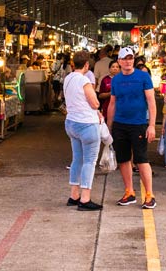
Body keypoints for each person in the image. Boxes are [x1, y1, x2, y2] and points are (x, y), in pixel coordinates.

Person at [106, 46, 157, 210]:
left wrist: (151, 126)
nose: (128, 61)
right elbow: (112, 103)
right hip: (120, 125)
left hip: (139, 124)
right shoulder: (116, 80)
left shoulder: (143, 77)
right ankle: (129, 192)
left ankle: (149, 194)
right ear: (119, 61)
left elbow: (151, 102)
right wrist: (109, 126)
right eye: (125, 58)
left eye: (131, 58)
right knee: (123, 159)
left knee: (141, 159)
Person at [63, 50, 104, 211]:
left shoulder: (68, 78)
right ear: (86, 65)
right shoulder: (84, 81)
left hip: (71, 123)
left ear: (73, 64)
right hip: (87, 124)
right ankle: (85, 198)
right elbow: (95, 103)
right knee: (89, 161)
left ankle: (74, 195)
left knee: (77, 159)